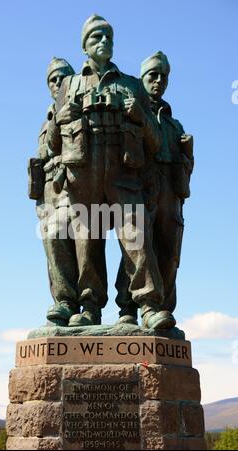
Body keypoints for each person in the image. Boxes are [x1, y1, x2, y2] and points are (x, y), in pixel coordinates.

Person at [45, 15, 164, 327]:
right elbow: (53, 143)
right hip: (84, 174)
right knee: (87, 243)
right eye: (96, 37)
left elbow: (155, 141)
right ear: (85, 46)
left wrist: (140, 115)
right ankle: (89, 307)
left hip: (123, 172)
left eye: (108, 37)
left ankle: (148, 306)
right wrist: (61, 118)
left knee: (136, 236)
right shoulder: (69, 85)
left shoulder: (131, 85)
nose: (104, 42)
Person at [115, 51, 194, 329]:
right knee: (138, 248)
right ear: (142, 79)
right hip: (142, 187)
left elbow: (184, 166)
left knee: (169, 254)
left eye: (163, 76)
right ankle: (128, 308)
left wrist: (188, 154)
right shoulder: (132, 111)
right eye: (153, 75)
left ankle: (163, 311)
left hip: (170, 195)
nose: (159, 81)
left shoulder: (174, 124)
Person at [30, 58, 78, 326]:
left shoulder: (79, 110)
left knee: (85, 244)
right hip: (51, 191)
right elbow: (45, 154)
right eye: (53, 79)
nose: (58, 83)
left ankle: (87, 305)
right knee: (54, 240)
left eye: (63, 77)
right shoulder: (47, 118)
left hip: (79, 184)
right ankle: (64, 302)